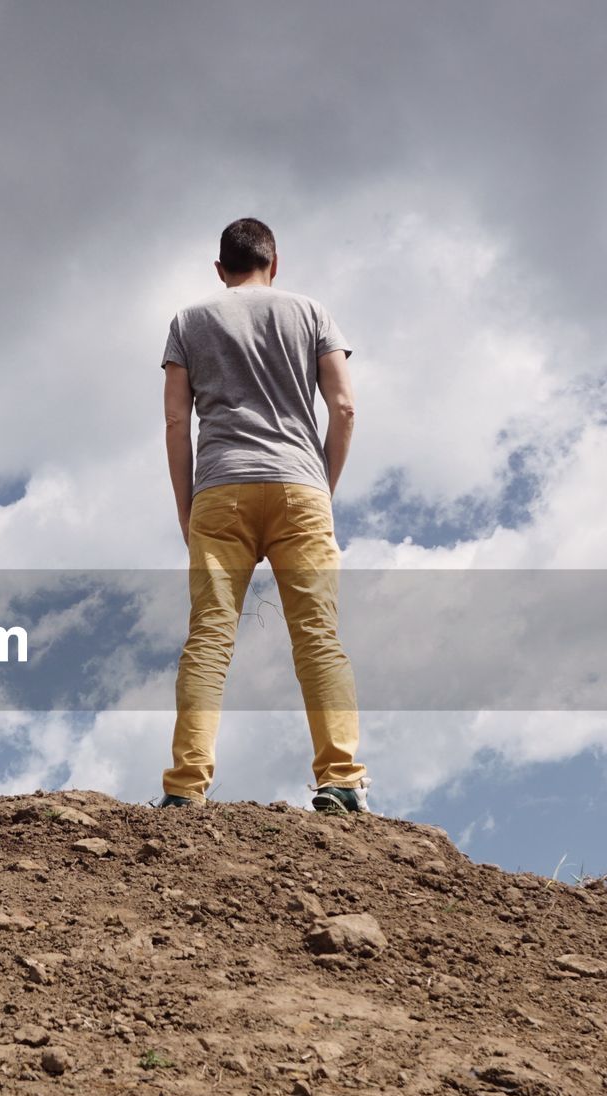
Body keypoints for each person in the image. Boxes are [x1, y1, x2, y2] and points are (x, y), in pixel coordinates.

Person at [159, 217, 370, 814]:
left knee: (208, 639)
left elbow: (177, 423)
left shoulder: (188, 321)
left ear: (220, 270)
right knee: (318, 638)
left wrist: (188, 505)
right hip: (299, 488)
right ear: (274, 263)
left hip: (219, 490)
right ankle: (341, 781)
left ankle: (185, 787)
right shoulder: (310, 312)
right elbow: (345, 406)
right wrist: (321, 487)